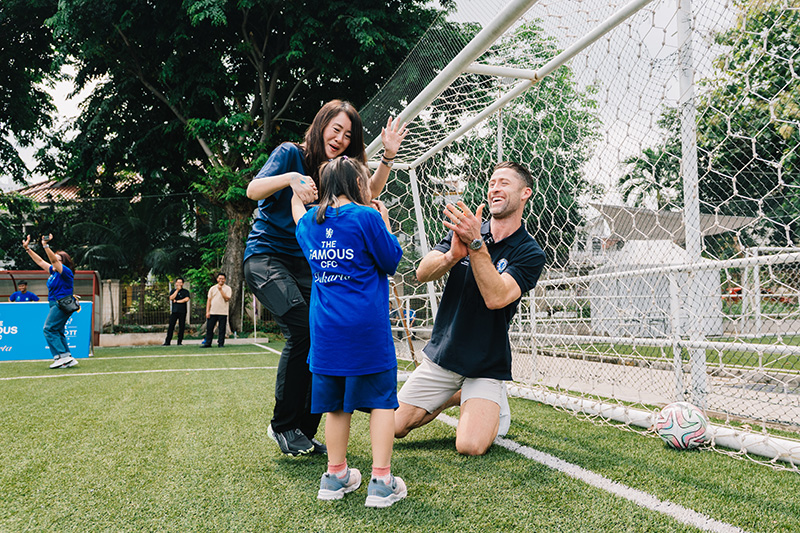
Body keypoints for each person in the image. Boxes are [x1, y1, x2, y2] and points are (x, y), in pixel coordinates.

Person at [243, 99, 407, 457]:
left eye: (348, 135)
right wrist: (290, 179)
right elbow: (252, 191)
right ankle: (283, 425)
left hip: (306, 264)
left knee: (321, 332)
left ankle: (303, 430)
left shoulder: (335, 169)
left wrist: (388, 158)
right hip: (266, 257)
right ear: (320, 126)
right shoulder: (290, 154)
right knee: (302, 327)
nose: (341, 139)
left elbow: (368, 193)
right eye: (336, 129)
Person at [394, 162, 546, 456]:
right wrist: (452, 254)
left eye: (503, 183)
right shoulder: (467, 229)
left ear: (525, 193)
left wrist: (476, 245)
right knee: (395, 428)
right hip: (445, 354)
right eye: (491, 183)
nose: (494, 189)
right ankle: (456, 395)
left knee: (470, 446)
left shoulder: (529, 251)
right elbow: (422, 273)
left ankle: (487, 398)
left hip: (486, 363)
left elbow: (497, 297)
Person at [291, 156, 406, 507]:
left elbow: (296, 209)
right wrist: (384, 223)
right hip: (366, 331)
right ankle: (381, 481)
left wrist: (296, 187)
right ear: (359, 184)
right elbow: (391, 260)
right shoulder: (367, 216)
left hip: (326, 333)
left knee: (336, 407)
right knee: (381, 402)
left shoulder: (310, 223)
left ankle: (335, 475)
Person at [21, 234, 81, 369]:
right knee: (58, 330)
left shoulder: (65, 272)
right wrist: (27, 249)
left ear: (63, 263)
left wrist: (45, 245)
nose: (53, 260)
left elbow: (53, 262)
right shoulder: (53, 272)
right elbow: (41, 261)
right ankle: (67, 357)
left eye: (58, 259)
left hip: (61, 304)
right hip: (55, 304)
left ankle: (61, 357)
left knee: (48, 329)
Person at [201, 273, 231, 348]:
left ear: (225, 280)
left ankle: (221, 343)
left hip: (223, 312)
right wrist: (207, 311)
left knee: (222, 329)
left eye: (222, 279)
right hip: (213, 311)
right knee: (209, 328)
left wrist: (221, 290)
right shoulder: (212, 288)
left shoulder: (228, 288)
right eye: (219, 278)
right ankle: (208, 343)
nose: (221, 280)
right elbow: (209, 300)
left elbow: (227, 298)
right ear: (217, 279)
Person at [163, 277, 190, 346]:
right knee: (171, 326)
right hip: (174, 311)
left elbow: (186, 299)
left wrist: (177, 301)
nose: (179, 284)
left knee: (181, 327)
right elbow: (171, 298)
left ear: (183, 283)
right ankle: (167, 342)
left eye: (180, 282)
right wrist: (177, 290)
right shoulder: (173, 291)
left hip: (182, 311)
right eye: (178, 282)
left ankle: (179, 341)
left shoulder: (185, 292)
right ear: (176, 283)